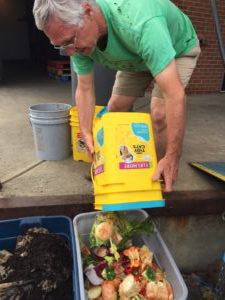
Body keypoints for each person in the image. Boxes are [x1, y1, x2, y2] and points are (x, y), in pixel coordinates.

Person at [33, 0, 201, 192]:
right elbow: (85, 88)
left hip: (176, 48)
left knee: (159, 113)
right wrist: (86, 131)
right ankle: (112, 165)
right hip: (136, 55)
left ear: (87, 11)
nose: (69, 51)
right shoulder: (74, 35)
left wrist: (173, 155)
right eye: (60, 44)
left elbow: (175, 94)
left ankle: (158, 173)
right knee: (115, 109)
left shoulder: (139, 21)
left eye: (70, 40)